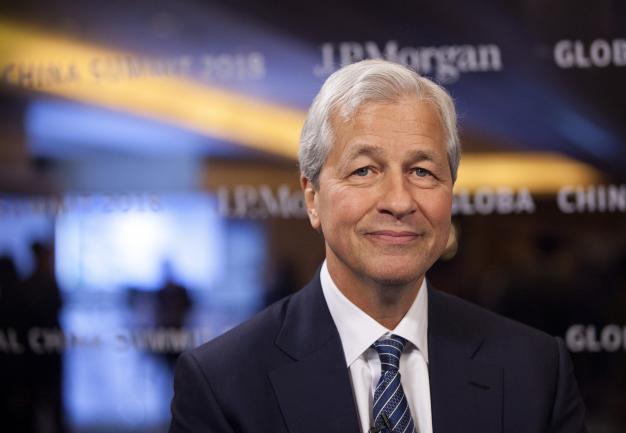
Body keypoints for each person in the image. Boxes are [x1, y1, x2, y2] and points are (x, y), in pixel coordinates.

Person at [168, 59, 587, 433]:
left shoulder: (535, 370)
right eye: (364, 170)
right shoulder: (223, 385)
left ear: (451, 193)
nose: (399, 201)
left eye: (423, 172)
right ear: (312, 198)